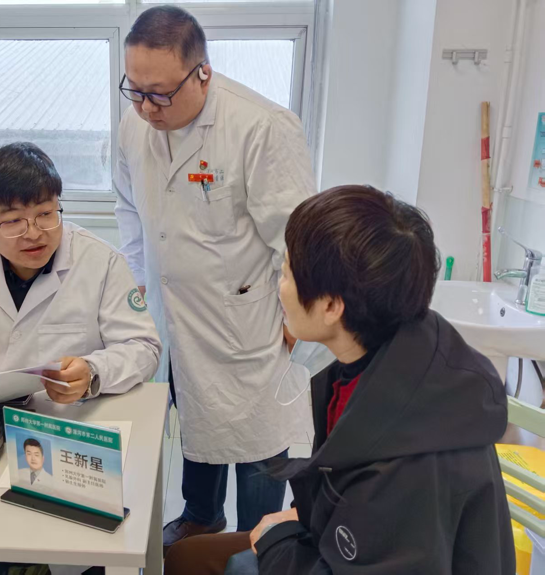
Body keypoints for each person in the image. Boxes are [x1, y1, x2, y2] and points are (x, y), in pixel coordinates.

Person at [164, 185, 516, 575]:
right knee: (184, 557)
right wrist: (299, 516)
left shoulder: (408, 462)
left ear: (331, 306)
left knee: (206, 561)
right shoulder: (389, 352)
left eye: (285, 274)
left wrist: (275, 538)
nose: (278, 288)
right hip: (344, 536)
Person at [114, 5, 316, 547]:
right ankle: (201, 516)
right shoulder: (134, 125)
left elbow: (298, 238)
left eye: (160, 94)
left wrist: (293, 320)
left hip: (249, 321)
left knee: (258, 440)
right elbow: (128, 206)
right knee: (194, 416)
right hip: (172, 315)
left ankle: (256, 541)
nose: (146, 107)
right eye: (134, 90)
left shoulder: (261, 127)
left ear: (202, 71)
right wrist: (137, 278)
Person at [0, 142, 162, 404]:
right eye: (13, 221)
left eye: (46, 213)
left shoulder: (101, 261)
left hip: (70, 414)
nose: (34, 233)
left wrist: (93, 371)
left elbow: (143, 347)